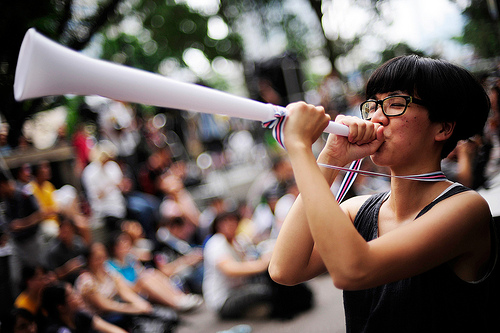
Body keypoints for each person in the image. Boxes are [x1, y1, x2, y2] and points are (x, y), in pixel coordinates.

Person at [269, 55, 500, 331]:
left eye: (395, 104)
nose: (376, 118)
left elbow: (353, 270)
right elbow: (284, 269)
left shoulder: (466, 208)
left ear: (443, 127)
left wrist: (299, 148)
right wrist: (330, 157)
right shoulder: (357, 210)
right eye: (373, 105)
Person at [203, 211, 312, 319]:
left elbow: (254, 255)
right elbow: (230, 269)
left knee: (275, 286)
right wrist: (262, 264)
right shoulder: (216, 242)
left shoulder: (238, 242)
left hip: (241, 288)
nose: (230, 225)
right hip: (224, 300)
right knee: (268, 291)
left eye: (233, 221)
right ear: (217, 226)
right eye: (225, 223)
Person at [106, 231, 203, 312]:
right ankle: (176, 303)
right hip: (131, 291)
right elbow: (124, 287)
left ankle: (180, 297)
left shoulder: (130, 259)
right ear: (114, 248)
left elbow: (141, 269)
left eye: (126, 242)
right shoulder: (111, 266)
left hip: (141, 284)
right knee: (145, 278)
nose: (126, 245)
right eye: (122, 243)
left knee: (152, 273)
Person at [41, 281, 127, 333]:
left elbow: (111, 329)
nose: (77, 295)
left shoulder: (80, 315)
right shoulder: (58, 330)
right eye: (72, 295)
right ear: (61, 307)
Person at [45, 215, 89, 285]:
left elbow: (86, 260)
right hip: (64, 284)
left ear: (73, 230)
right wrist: (68, 269)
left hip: (81, 279)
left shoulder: (79, 242)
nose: (65, 235)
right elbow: (53, 276)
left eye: (68, 231)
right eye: (63, 231)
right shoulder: (53, 251)